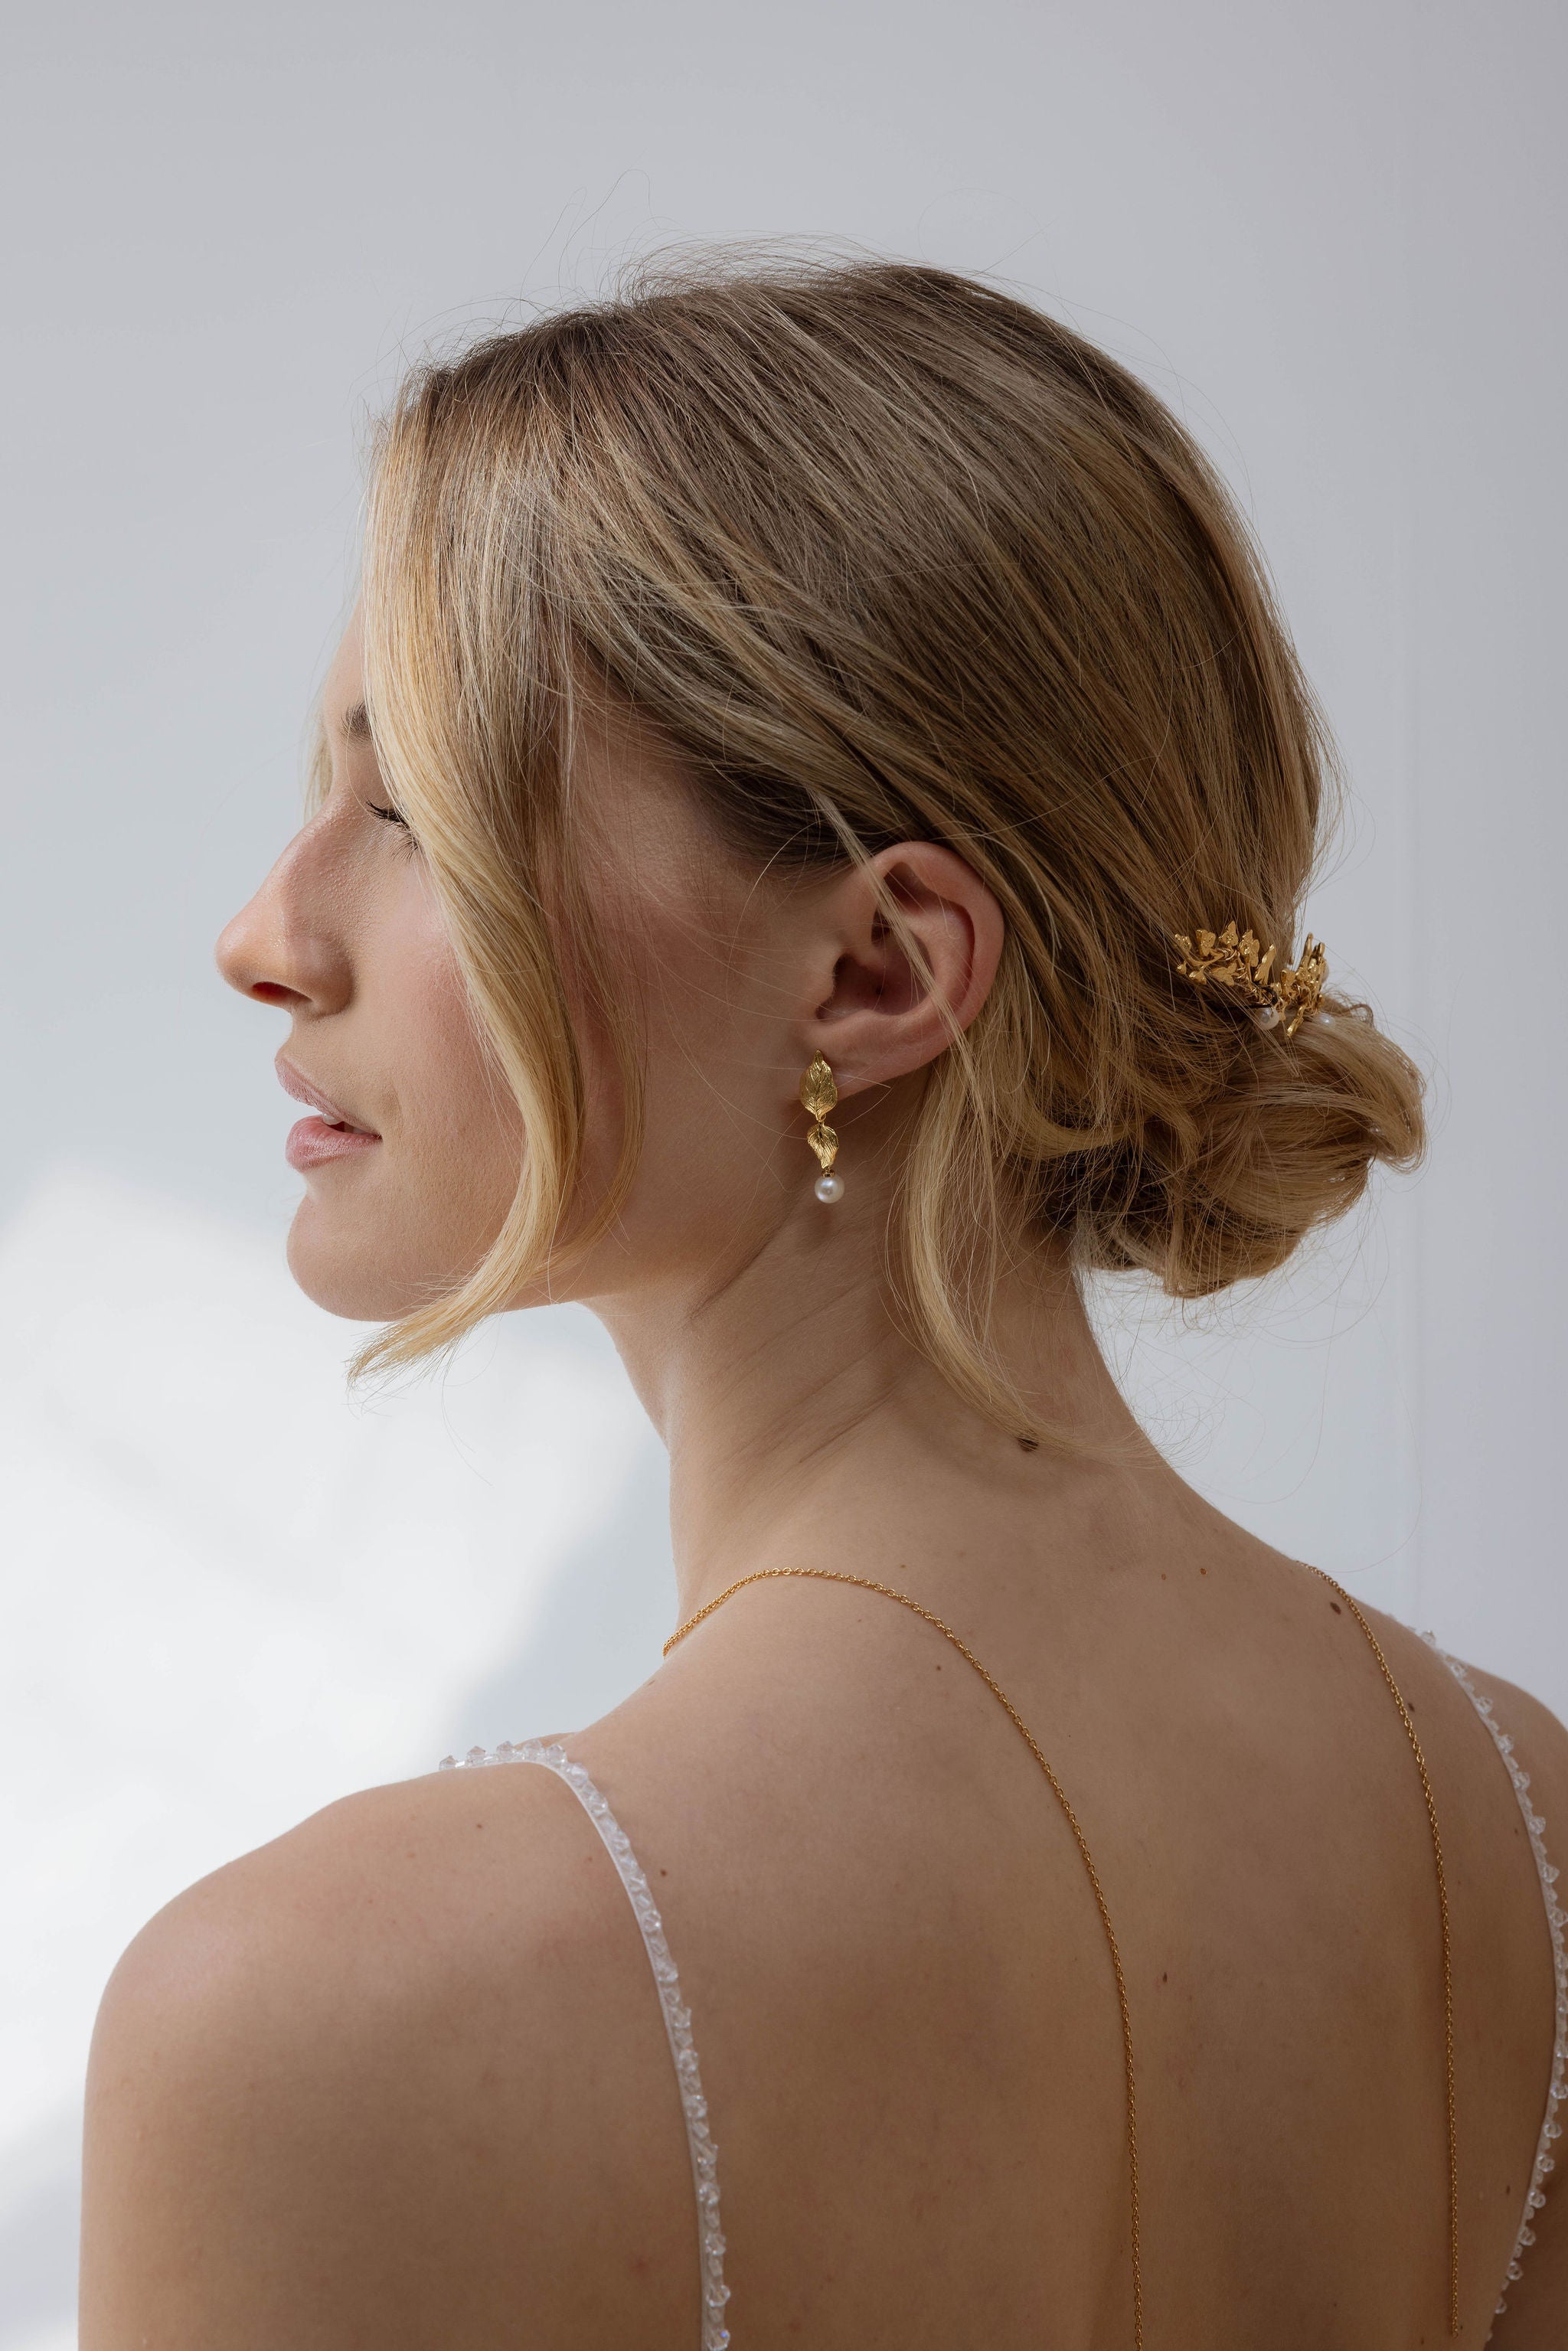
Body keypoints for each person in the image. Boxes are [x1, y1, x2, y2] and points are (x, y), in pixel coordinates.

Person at [80, 259, 1565, 2348]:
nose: (264, 933)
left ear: (875, 973)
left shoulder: (324, 2012)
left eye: (410, 807)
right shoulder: (1520, 1835)